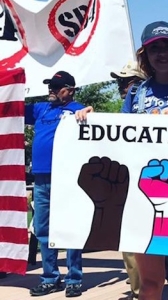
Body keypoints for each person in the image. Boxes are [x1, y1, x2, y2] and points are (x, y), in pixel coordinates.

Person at [77, 20, 168, 300]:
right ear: (145, 55)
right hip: (144, 198)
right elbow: (119, 141)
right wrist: (90, 121)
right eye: (154, 49)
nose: (161, 53)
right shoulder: (135, 94)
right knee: (150, 283)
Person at [27, 71, 85, 297]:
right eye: (50, 86)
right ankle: (50, 277)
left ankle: (74, 279)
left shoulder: (77, 109)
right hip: (41, 178)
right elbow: (11, 109)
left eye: (56, 87)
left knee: (70, 229)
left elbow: (93, 121)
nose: (51, 89)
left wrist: (87, 113)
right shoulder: (41, 108)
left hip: (67, 177)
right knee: (42, 229)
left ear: (69, 90)